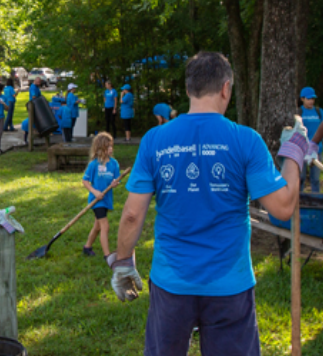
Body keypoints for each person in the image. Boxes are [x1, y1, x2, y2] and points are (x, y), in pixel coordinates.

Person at [110, 52, 303, 356]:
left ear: (188, 89)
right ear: (226, 88)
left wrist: (122, 262)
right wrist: (294, 153)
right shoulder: (246, 140)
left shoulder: (154, 140)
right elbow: (282, 207)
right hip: (229, 286)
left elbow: (133, 215)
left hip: (172, 283)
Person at [82, 132, 120, 260]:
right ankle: (107, 255)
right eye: (108, 146)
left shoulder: (114, 164)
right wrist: (95, 192)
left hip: (106, 199)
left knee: (97, 226)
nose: (111, 149)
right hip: (96, 200)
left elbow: (116, 179)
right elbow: (85, 181)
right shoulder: (94, 164)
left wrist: (115, 183)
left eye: (111, 146)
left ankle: (87, 247)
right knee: (105, 225)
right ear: (100, 147)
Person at [297, 87, 321, 193]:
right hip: (302, 150)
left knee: (315, 179)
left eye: (313, 98)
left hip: (317, 150)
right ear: (302, 99)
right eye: (308, 98)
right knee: (300, 178)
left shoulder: (319, 112)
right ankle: (300, 201)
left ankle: (316, 203)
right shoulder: (299, 112)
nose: (311, 101)